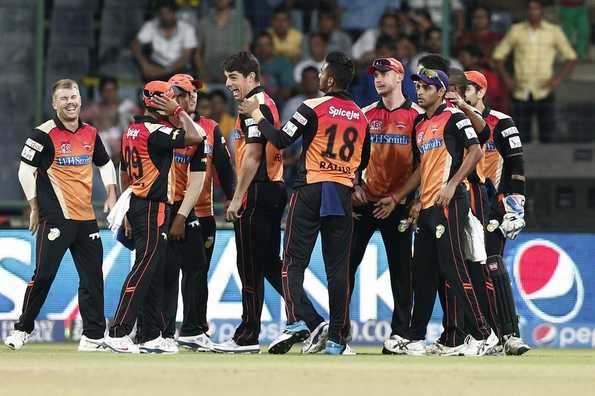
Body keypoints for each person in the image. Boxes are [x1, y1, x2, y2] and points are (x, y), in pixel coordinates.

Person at [239, 52, 371, 355]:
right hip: (341, 192)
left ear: (332, 79)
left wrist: (257, 116)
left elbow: (282, 141)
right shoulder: (362, 117)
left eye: (323, 72)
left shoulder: (313, 106)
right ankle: (337, 339)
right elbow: (364, 159)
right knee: (338, 270)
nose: (319, 77)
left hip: (311, 189)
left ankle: (297, 320)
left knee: (292, 262)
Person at [212, 51, 324, 354]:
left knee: (248, 265)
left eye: (234, 77)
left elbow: (253, 155)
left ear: (251, 77)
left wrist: (237, 197)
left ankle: (247, 336)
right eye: (227, 77)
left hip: (258, 190)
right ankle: (313, 320)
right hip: (272, 189)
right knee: (268, 265)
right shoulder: (264, 104)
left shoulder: (255, 106)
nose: (228, 83)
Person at [386, 68, 497, 356]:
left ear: (440, 91)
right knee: (422, 270)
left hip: (450, 202)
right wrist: (416, 201)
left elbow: (476, 152)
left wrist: (453, 183)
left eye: (426, 87)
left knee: (453, 266)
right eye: (418, 86)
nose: (420, 91)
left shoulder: (455, 117)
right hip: (428, 206)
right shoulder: (421, 124)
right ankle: (414, 337)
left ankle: (485, 334)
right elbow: (425, 167)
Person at [6, 79, 118, 352]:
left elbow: (105, 164)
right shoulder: (42, 134)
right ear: (54, 104)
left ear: (81, 99)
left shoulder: (90, 132)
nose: (71, 102)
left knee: (92, 278)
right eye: (64, 98)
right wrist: (34, 206)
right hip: (55, 218)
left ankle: (93, 336)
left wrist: (112, 193)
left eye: (74, 97)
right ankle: (22, 329)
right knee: (43, 276)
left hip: (86, 218)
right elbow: (24, 171)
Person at [105, 80, 205, 353]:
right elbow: (197, 136)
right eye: (171, 99)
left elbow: (124, 171)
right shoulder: (158, 132)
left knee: (150, 272)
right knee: (143, 270)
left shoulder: (132, 131)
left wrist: (125, 210)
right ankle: (118, 331)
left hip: (137, 203)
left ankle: (149, 335)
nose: (175, 102)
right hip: (153, 206)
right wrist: (179, 113)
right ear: (161, 102)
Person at [351, 58, 423, 353]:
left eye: (385, 73)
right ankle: (337, 332)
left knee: (402, 272)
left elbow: (425, 164)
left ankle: (401, 334)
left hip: (399, 203)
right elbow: (352, 156)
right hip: (367, 201)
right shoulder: (365, 114)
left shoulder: (417, 116)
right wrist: (354, 185)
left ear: (399, 77)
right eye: (376, 74)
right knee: (345, 266)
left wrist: (400, 199)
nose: (379, 78)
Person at [464, 70, 530, 356]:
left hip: (492, 207)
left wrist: (516, 206)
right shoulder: (452, 120)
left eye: (468, 88)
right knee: (464, 271)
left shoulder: (501, 122)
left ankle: (509, 335)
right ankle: (479, 334)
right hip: (460, 206)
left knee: (492, 266)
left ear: (481, 92)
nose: (462, 93)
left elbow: (516, 166)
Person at [157, 74, 211, 352]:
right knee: (163, 271)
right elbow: (127, 169)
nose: (189, 99)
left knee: (195, 266)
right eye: (182, 95)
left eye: (191, 94)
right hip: (158, 207)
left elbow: (198, 178)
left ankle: (190, 330)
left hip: (184, 208)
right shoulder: (158, 128)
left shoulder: (200, 131)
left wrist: (182, 216)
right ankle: (157, 333)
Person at [493, 0, 577, 143]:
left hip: (544, 89)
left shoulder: (553, 31)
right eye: (530, 9)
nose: (533, 12)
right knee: (519, 137)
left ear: (542, 11)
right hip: (521, 90)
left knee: (547, 135)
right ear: (527, 11)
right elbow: (498, 56)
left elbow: (571, 57)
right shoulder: (516, 30)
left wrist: (557, 79)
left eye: (536, 9)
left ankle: (548, 164)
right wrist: (508, 80)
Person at [131, 0, 197, 81]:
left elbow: (185, 57)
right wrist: (144, 65)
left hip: (179, 69)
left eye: (168, 13)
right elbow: (135, 45)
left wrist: (164, 71)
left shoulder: (187, 29)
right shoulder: (151, 25)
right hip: (155, 66)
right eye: (162, 14)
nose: (165, 17)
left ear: (174, 13)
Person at [81, 76, 140, 161]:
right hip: (102, 149)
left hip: (124, 150)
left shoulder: (126, 106)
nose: (109, 93)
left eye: (112, 90)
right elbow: (77, 121)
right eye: (106, 90)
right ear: (100, 92)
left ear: (116, 90)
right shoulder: (95, 109)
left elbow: (139, 124)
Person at [196, 0, 253, 84]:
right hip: (209, 75)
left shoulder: (242, 23)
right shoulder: (203, 23)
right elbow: (197, 53)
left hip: (234, 74)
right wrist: (203, 72)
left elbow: (245, 53)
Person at [457, 45, 509, 114]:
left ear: (474, 59)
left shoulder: (490, 77)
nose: (460, 59)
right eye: (460, 56)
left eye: (463, 56)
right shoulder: (463, 76)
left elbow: (490, 99)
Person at [252, 31, 295, 104]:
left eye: (266, 45)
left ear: (272, 46)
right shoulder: (251, 65)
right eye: (260, 45)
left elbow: (287, 92)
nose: (263, 49)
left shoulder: (283, 64)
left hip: (278, 105)